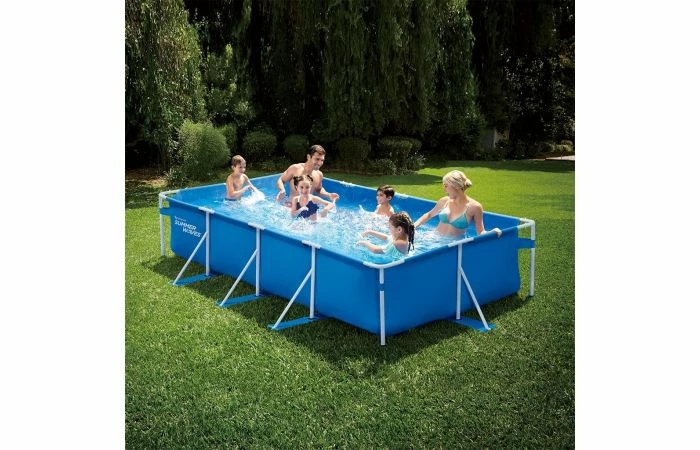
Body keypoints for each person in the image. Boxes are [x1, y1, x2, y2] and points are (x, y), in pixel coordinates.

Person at [414, 170, 501, 237]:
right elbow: (429, 215)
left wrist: (492, 232)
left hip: (453, 247)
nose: (444, 189)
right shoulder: (445, 201)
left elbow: (480, 232)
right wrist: (413, 226)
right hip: (433, 238)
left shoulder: (474, 207)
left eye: (446, 186)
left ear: (456, 186)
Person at [275, 145, 340, 205]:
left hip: (307, 209)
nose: (320, 163)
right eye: (317, 159)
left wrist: (328, 194)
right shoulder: (295, 168)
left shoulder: (319, 175)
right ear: (308, 157)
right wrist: (282, 190)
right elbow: (281, 180)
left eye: (322, 160)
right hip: (290, 207)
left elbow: (319, 189)